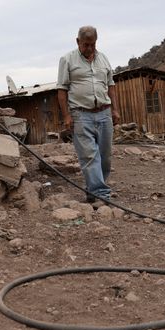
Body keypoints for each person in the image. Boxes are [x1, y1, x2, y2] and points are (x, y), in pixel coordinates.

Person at [56, 26, 121, 203]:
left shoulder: (104, 59)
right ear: (77, 42)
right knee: (89, 156)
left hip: (104, 112)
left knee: (105, 157)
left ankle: (94, 191)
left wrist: (115, 109)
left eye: (92, 44)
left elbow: (111, 85)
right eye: (86, 45)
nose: (90, 48)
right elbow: (62, 89)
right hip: (80, 114)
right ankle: (101, 195)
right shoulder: (67, 59)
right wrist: (67, 116)